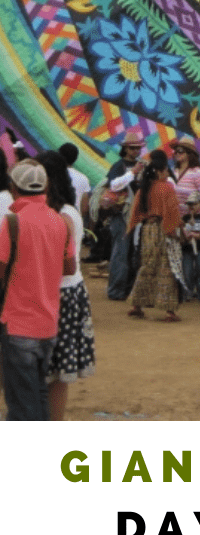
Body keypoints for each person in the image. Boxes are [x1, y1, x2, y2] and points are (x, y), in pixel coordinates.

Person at [0, 160, 76, 420]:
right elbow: (69, 267)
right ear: (45, 187)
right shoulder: (60, 222)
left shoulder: (12, 223)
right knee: (39, 395)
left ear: (14, 188)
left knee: (21, 404)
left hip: (18, 323)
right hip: (48, 323)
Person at [36, 150, 95, 420]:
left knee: (55, 370)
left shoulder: (61, 215)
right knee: (52, 370)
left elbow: (65, 264)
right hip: (64, 291)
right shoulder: (64, 211)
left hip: (58, 293)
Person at [127, 149, 185, 322]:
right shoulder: (166, 188)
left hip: (147, 231)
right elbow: (172, 212)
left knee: (147, 266)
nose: (168, 173)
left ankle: (137, 305)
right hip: (162, 230)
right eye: (166, 170)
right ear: (160, 171)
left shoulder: (144, 188)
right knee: (167, 268)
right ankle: (169, 311)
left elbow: (135, 211)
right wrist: (174, 232)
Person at [102, 128, 146, 300]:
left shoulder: (138, 165)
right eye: (133, 148)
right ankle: (116, 291)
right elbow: (113, 185)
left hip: (136, 215)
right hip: (121, 216)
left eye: (138, 148)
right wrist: (133, 172)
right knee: (121, 253)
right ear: (126, 149)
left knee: (131, 253)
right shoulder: (119, 166)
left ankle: (127, 289)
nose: (136, 151)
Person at [171, 138, 200, 215]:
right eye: (176, 151)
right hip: (175, 219)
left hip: (192, 220)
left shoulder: (197, 172)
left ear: (189, 154)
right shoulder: (174, 171)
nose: (177, 153)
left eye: (181, 151)